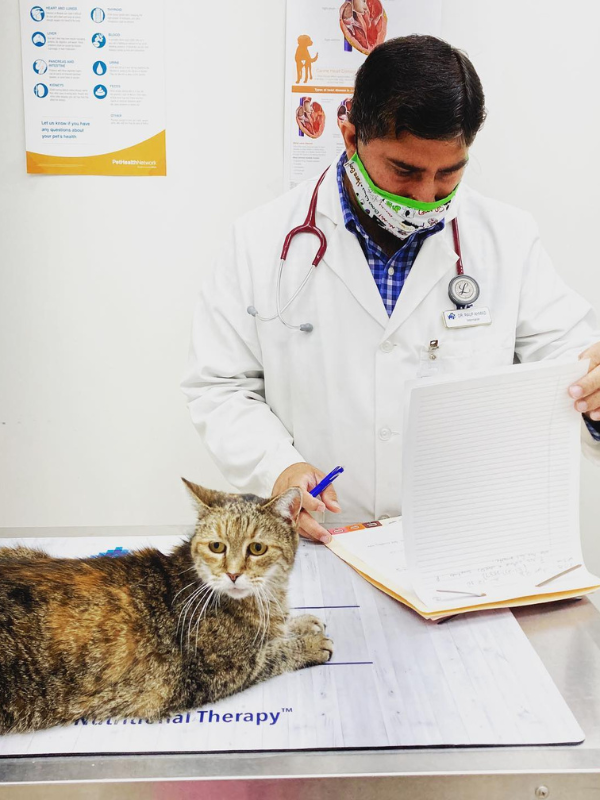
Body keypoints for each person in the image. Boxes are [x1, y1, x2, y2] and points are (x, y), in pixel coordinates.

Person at [182, 35, 600, 545]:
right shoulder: (259, 240)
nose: (427, 197)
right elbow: (221, 386)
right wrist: (279, 467)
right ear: (351, 134)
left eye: (449, 173)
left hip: (462, 542)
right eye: (405, 170)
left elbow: (568, 363)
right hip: (323, 536)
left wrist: (595, 393)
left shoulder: (507, 239)